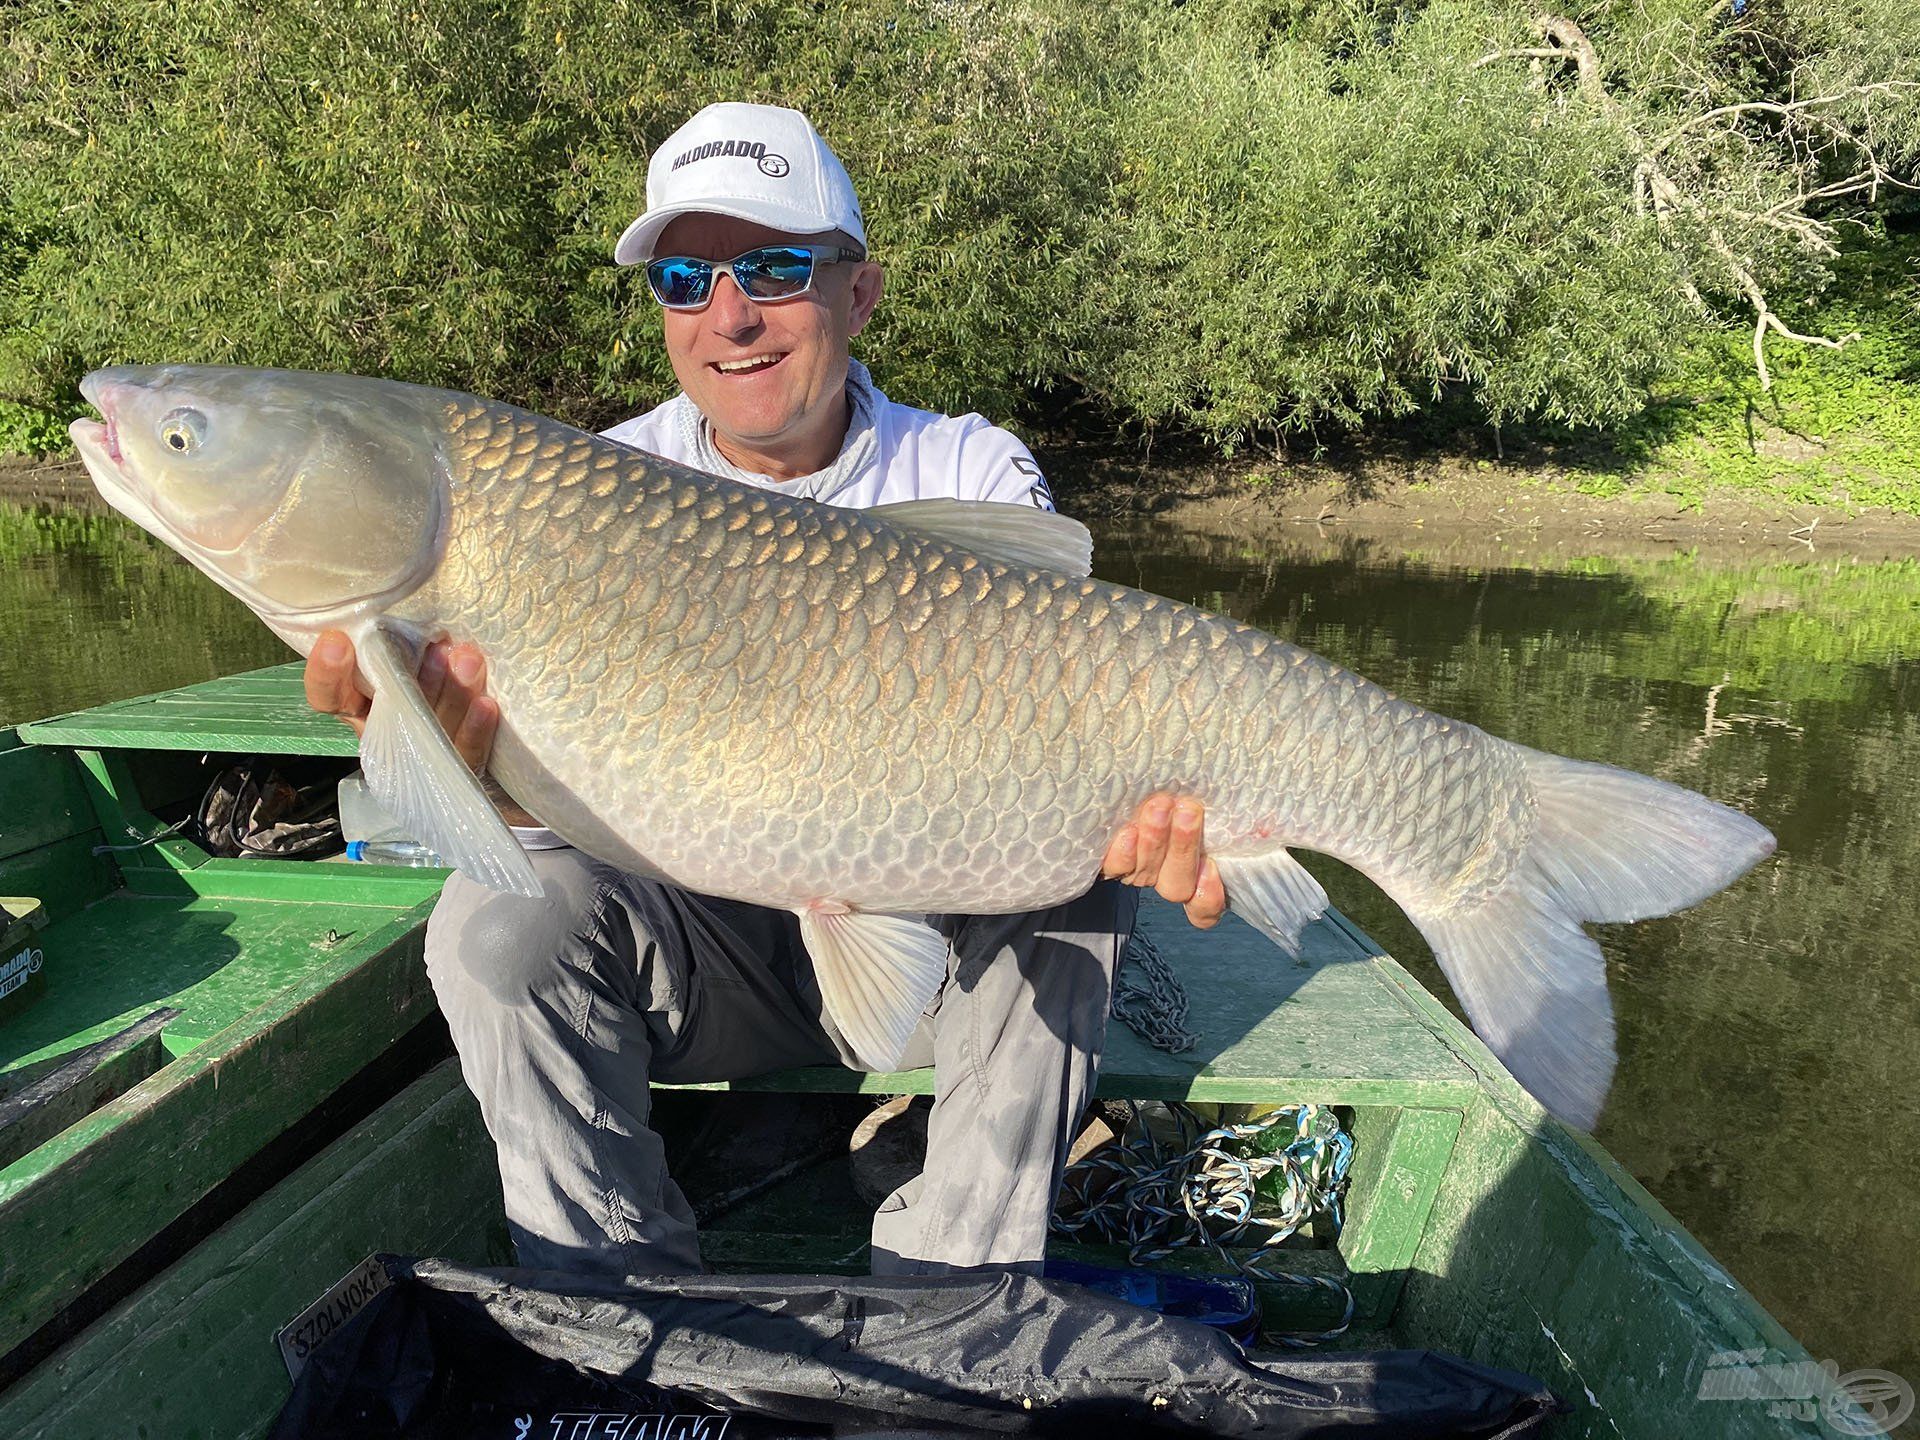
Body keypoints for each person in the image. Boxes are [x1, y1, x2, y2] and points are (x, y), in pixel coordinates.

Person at [304, 102, 1223, 1278]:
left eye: (773, 269)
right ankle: (619, 1306)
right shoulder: (596, 485)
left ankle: (956, 1291)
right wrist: (471, 766)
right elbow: (553, 828)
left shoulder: (968, 467)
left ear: (860, 293)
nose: (727, 316)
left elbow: (1057, 728)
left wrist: (1152, 813)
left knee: (1074, 885)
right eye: (685, 280)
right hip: (703, 959)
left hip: (940, 952)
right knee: (492, 922)